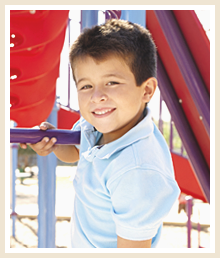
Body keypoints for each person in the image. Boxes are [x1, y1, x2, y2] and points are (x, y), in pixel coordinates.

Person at [21, 19, 180, 248]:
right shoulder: (95, 126)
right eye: (86, 86)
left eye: (112, 82)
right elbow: (75, 152)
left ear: (146, 90)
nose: (97, 97)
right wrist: (53, 143)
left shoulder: (137, 171)